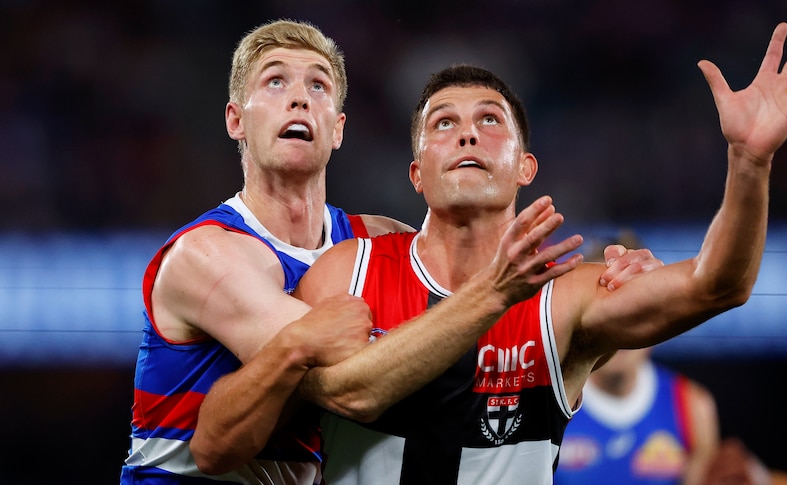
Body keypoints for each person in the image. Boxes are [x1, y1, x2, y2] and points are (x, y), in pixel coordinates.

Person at [290, 22, 787, 484]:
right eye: (443, 123)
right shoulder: (346, 272)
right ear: (417, 174)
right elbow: (346, 396)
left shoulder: (563, 298)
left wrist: (749, 162)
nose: (467, 135)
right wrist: (492, 295)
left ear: (525, 167)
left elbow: (718, 285)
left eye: (489, 120)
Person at [120, 19, 654, 484]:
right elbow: (359, 384)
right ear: (236, 120)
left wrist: (605, 292)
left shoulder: (374, 244)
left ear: (339, 129)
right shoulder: (207, 255)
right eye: (276, 81)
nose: (300, 97)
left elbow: (475, 300)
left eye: (318, 85)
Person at [553, 232, 719, 485]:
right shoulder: (545, 403)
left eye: (634, 306)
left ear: (657, 315)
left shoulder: (692, 407)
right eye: (608, 305)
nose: (621, 324)